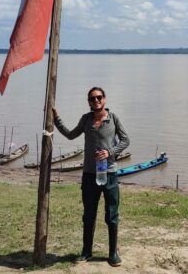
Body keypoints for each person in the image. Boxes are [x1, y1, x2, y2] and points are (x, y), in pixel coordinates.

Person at [53, 87, 130, 267]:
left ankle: (113, 254)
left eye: (99, 97)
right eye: (92, 98)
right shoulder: (86, 119)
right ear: (88, 102)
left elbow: (126, 141)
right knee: (88, 215)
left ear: (105, 99)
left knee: (112, 215)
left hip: (109, 174)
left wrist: (109, 152)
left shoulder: (114, 119)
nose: (96, 101)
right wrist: (56, 119)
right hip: (89, 175)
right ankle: (86, 251)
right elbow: (71, 135)